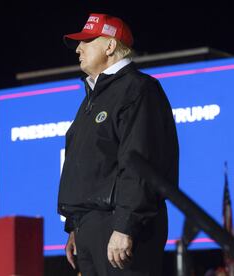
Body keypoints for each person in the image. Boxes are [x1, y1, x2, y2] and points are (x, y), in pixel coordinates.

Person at [57, 13, 179, 275]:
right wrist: (75, 227)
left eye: (86, 41)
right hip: (90, 229)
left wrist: (125, 225)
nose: (78, 49)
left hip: (119, 227)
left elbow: (140, 163)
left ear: (110, 46)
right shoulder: (93, 97)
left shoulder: (138, 89)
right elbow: (87, 168)